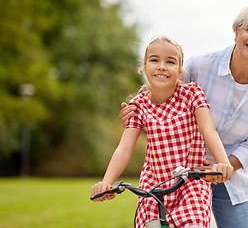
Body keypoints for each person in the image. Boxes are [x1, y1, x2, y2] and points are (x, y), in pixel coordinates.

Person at [119, 4, 248, 228]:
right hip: (182, 171)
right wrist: (136, 111)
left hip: (231, 175)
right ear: (237, 30)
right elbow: (164, 96)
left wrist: (222, 167)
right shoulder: (199, 66)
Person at [91, 36, 233, 228]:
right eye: (154, 60)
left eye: (170, 62)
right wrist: (106, 183)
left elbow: (209, 130)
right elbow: (124, 149)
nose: (161, 66)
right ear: (144, 67)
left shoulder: (192, 94)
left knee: (194, 223)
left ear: (180, 71)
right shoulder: (138, 106)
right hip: (154, 185)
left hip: (191, 182)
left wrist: (223, 163)